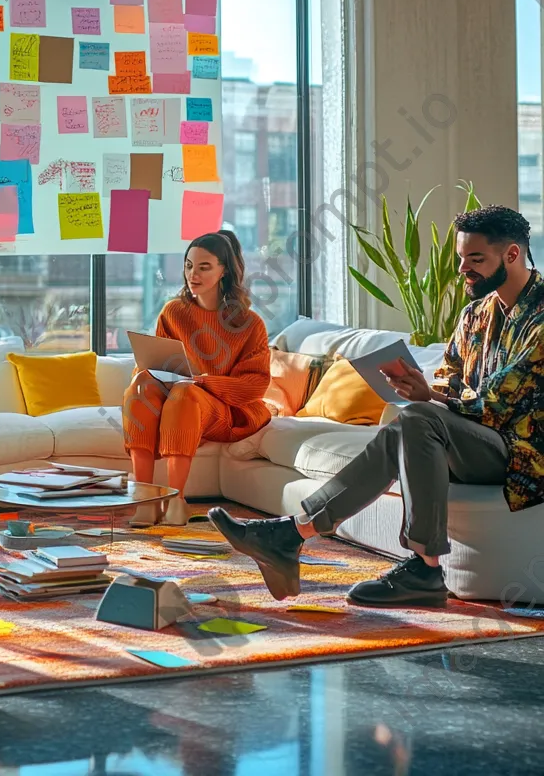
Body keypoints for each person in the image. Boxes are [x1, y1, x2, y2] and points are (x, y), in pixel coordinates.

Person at [209, 205, 544, 608]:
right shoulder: (475, 315)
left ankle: (417, 568)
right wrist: (421, 390)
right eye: (460, 259)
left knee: (419, 416)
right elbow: (449, 379)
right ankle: (295, 536)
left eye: (475, 259)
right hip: (474, 441)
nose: (462, 270)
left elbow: (500, 402)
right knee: (410, 422)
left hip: (523, 456)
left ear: (511, 254)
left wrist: (432, 398)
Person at [122, 231, 271, 528]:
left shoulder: (249, 324)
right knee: (139, 388)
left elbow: (255, 385)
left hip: (222, 410)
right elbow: (160, 360)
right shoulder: (174, 312)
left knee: (184, 393)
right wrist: (146, 373)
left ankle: (176, 500)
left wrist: (204, 382)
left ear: (224, 270)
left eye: (204, 267)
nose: (193, 274)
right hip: (178, 399)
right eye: (189, 266)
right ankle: (145, 498)